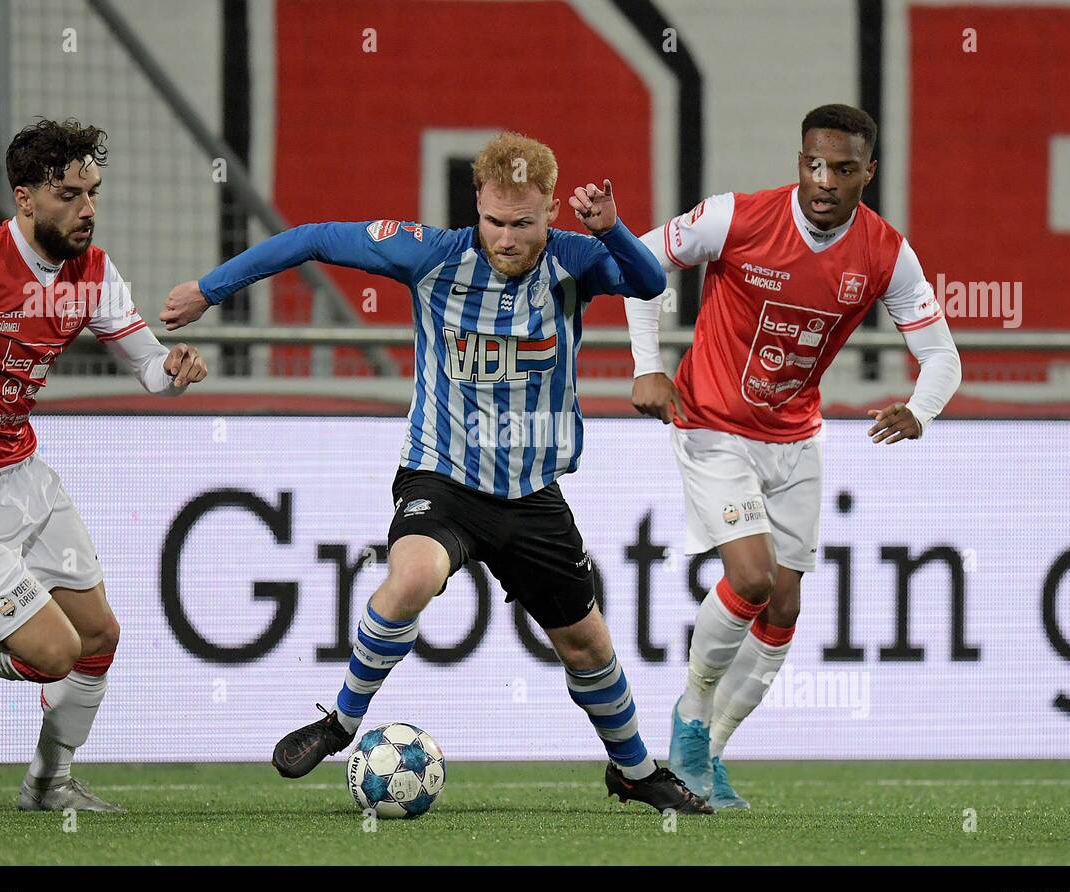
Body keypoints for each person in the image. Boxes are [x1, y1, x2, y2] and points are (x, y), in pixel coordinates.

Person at [162, 131, 710, 814]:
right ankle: (341, 720)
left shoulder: (575, 261)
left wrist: (615, 230)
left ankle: (632, 770)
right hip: (441, 477)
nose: (507, 239)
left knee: (586, 641)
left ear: (549, 214)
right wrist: (210, 289)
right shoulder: (430, 256)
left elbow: (650, 282)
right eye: (494, 222)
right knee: (413, 576)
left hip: (530, 492)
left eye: (524, 224)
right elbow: (308, 239)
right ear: (475, 207)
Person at [624, 104, 962, 808]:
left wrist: (919, 410)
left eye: (842, 168)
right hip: (711, 421)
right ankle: (689, 719)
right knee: (750, 578)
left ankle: (708, 758)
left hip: (796, 436)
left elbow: (941, 357)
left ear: (868, 171)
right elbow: (640, 260)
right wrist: (647, 366)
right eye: (814, 163)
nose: (825, 180)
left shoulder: (885, 253)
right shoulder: (737, 217)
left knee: (784, 604)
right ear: (799, 160)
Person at [0, 118, 207, 811]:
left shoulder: (92, 273)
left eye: (93, 192)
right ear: (25, 198)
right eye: (68, 195)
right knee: (51, 654)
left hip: (19, 471)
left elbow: (147, 365)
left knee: (99, 636)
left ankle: (48, 785)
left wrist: (172, 369)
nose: (87, 209)